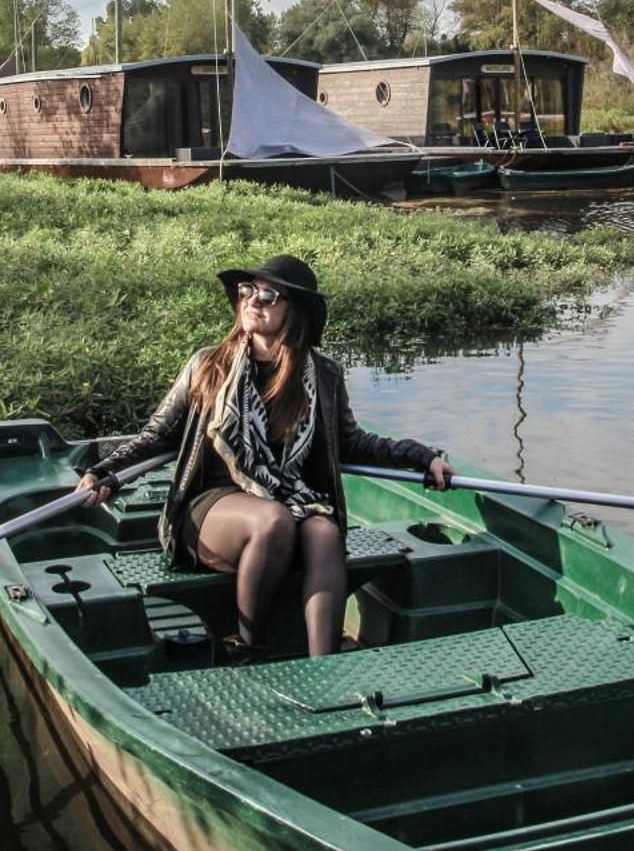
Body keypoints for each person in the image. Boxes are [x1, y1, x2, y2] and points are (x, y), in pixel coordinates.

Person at [80, 255, 452, 660]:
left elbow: (353, 442)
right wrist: (106, 472)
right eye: (247, 292)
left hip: (288, 497)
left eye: (269, 295)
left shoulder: (322, 374)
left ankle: (324, 662)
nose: (253, 301)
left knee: (324, 532)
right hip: (212, 506)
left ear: (296, 312)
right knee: (271, 519)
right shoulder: (209, 364)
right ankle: (249, 648)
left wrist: (420, 456)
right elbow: (157, 434)